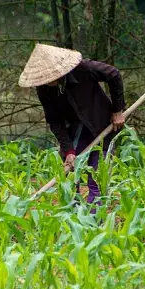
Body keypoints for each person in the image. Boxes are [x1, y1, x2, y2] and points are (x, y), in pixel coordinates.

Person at [19, 43, 126, 208]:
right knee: (69, 178)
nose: (47, 81)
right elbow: (54, 120)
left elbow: (113, 74)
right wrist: (68, 150)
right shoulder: (43, 89)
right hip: (75, 131)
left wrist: (117, 110)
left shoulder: (83, 68)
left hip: (100, 125)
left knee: (97, 178)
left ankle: (94, 222)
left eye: (49, 77)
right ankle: (73, 221)